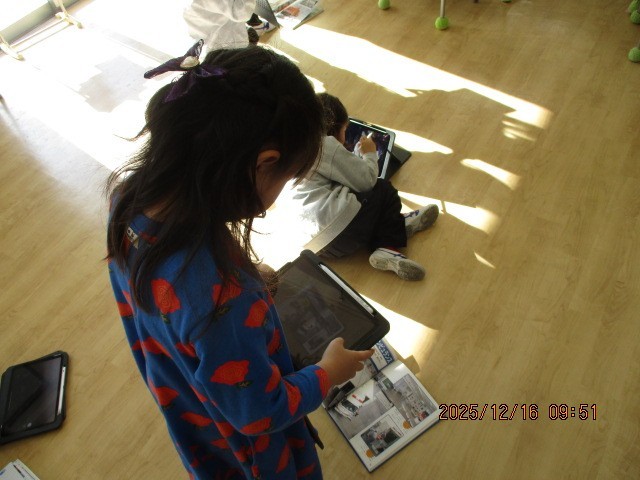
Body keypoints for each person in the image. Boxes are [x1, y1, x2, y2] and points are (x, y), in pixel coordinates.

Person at [106, 43, 373, 479]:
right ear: (264, 163)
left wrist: (238, 272)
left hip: (193, 412)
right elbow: (259, 412)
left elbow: (169, 300)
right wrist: (327, 373)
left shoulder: (128, 198)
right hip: (257, 458)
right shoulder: (225, 301)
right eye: (287, 178)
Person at [293, 92, 439, 281]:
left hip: (318, 247)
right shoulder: (324, 145)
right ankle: (388, 246)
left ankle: (398, 224)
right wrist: (370, 154)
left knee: (356, 203)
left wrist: (353, 158)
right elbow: (366, 181)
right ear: (333, 129)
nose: (345, 137)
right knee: (383, 190)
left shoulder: (294, 148)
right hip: (345, 231)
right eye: (345, 129)